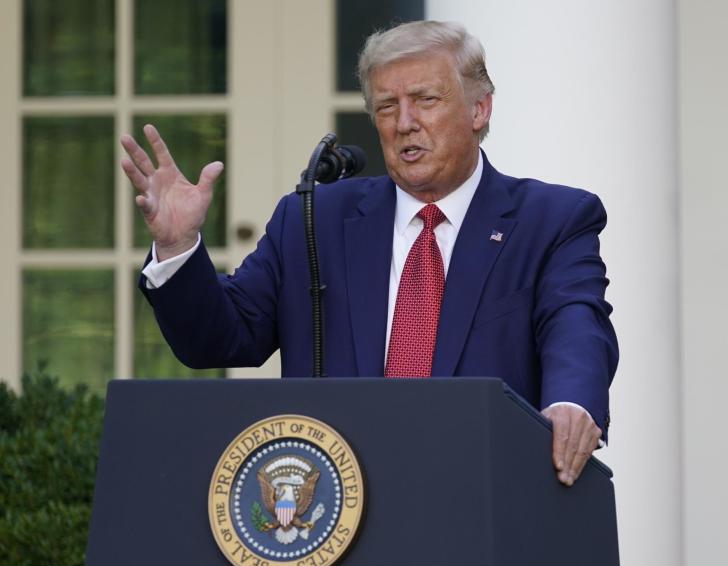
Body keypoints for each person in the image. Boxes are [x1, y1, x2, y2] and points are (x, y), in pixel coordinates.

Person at [120, 20, 617, 487]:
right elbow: (222, 338)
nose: (405, 123)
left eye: (425, 100)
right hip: (338, 511)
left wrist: (571, 402)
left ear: (479, 110)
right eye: (386, 107)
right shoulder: (313, 220)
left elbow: (576, 323)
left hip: (483, 495)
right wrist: (178, 244)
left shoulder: (551, 219)